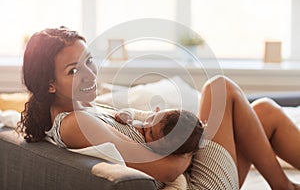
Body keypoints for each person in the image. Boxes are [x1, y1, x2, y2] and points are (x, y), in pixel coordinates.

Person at [17, 26, 300, 190]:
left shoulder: (82, 110)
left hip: (196, 173)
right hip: (198, 183)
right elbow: (163, 171)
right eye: (73, 71)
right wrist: (189, 141)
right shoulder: (76, 123)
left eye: (89, 61)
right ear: (50, 83)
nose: (90, 75)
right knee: (219, 88)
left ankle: (283, 187)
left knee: (263, 110)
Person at [107, 106, 204, 155]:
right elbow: (134, 112)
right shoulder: (155, 120)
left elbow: (176, 182)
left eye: (151, 133)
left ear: (165, 152)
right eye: (152, 117)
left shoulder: (163, 161)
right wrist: (126, 114)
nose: (146, 125)